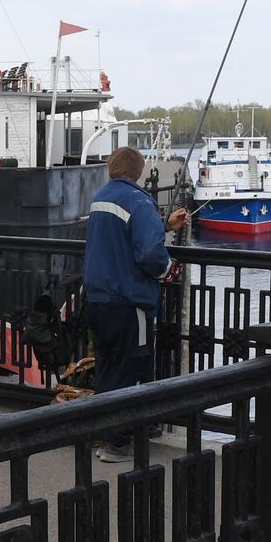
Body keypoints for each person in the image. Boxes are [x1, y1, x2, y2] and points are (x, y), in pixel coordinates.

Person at [83, 145, 189, 462]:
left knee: (108, 364)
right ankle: (116, 442)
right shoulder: (140, 200)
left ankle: (120, 426)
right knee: (130, 366)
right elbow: (148, 254)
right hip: (129, 301)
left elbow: (123, 236)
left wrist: (164, 225)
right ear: (139, 171)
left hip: (98, 297)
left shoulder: (102, 198)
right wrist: (169, 270)